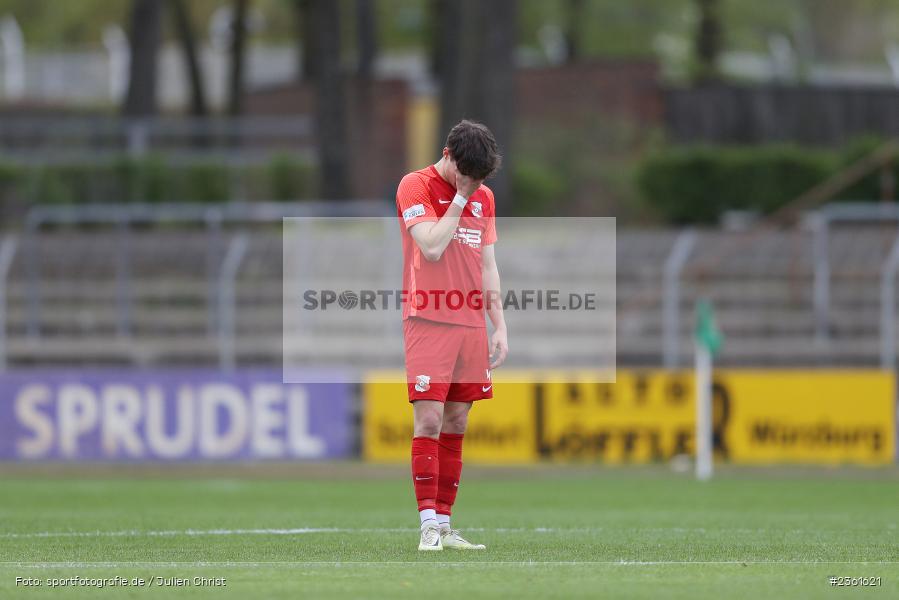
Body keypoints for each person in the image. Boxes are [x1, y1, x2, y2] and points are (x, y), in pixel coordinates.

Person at [395, 119, 509, 551]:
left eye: (481, 179)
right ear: (447, 155)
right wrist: (459, 198)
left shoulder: (484, 196)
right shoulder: (415, 185)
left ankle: (445, 524)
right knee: (428, 420)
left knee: (457, 422)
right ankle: (426, 524)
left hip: (470, 324)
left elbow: (486, 265)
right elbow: (431, 246)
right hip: (428, 319)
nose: (476, 184)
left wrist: (499, 325)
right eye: (469, 175)